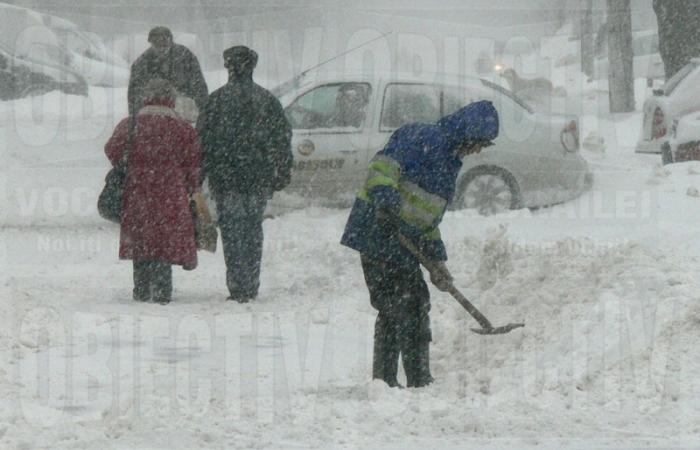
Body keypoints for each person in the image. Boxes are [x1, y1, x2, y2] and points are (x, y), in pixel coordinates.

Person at [340, 100, 499, 388]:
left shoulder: (450, 163)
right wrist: (385, 201)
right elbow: (382, 167)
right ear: (468, 134)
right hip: (376, 230)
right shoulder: (421, 137)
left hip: (401, 242)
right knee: (401, 305)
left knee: (406, 305)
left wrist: (437, 260)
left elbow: (427, 218)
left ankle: (397, 380)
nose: (478, 151)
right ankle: (404, 380)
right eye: (479, 143)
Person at [197, 45, 293, 303]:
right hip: (257, 177)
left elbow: (201, 141)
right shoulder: (267, 100)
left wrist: (199, 173)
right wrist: (282, 170)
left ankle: (237, 284)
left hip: (225, 178)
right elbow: (282, 138)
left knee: (231, 230)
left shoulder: (215, 101)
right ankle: (250, 283)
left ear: (228, 67)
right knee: (252, 229)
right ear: (252, 67)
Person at [105, 78, 203, 304]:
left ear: (145, 98)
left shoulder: (130, 125)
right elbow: (193, 163)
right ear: (171, 100)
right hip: (171, 194)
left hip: (137, 192)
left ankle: (141, 288)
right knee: (163, 240)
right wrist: (191, 186)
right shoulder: (183, 129)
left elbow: (112, 150)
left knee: (141, 238)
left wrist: (130, 165)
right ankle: (162, 289)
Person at [128, 26, 208, 119]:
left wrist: (203, 113)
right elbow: (134, 95)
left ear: (171, 41)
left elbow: (199, 87)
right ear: (151, 42)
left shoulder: (186, 57)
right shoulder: (141, 63)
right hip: (153, 114)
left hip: (184, 110)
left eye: (164, 43)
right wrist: (135, 118)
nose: (161, 48)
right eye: (157, 44)